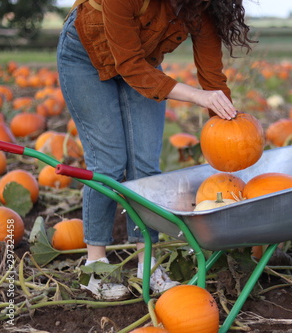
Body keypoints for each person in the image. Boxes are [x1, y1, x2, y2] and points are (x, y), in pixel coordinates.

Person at [57, 0, 255, 300]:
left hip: (143, 64)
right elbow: (129, 65)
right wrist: (197, 97)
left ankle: (146, 264)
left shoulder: (201, 6)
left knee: (146, 165)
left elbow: (212, 76)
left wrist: (230, 124)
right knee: (108, 163)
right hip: (85, 56)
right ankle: (94, 265)